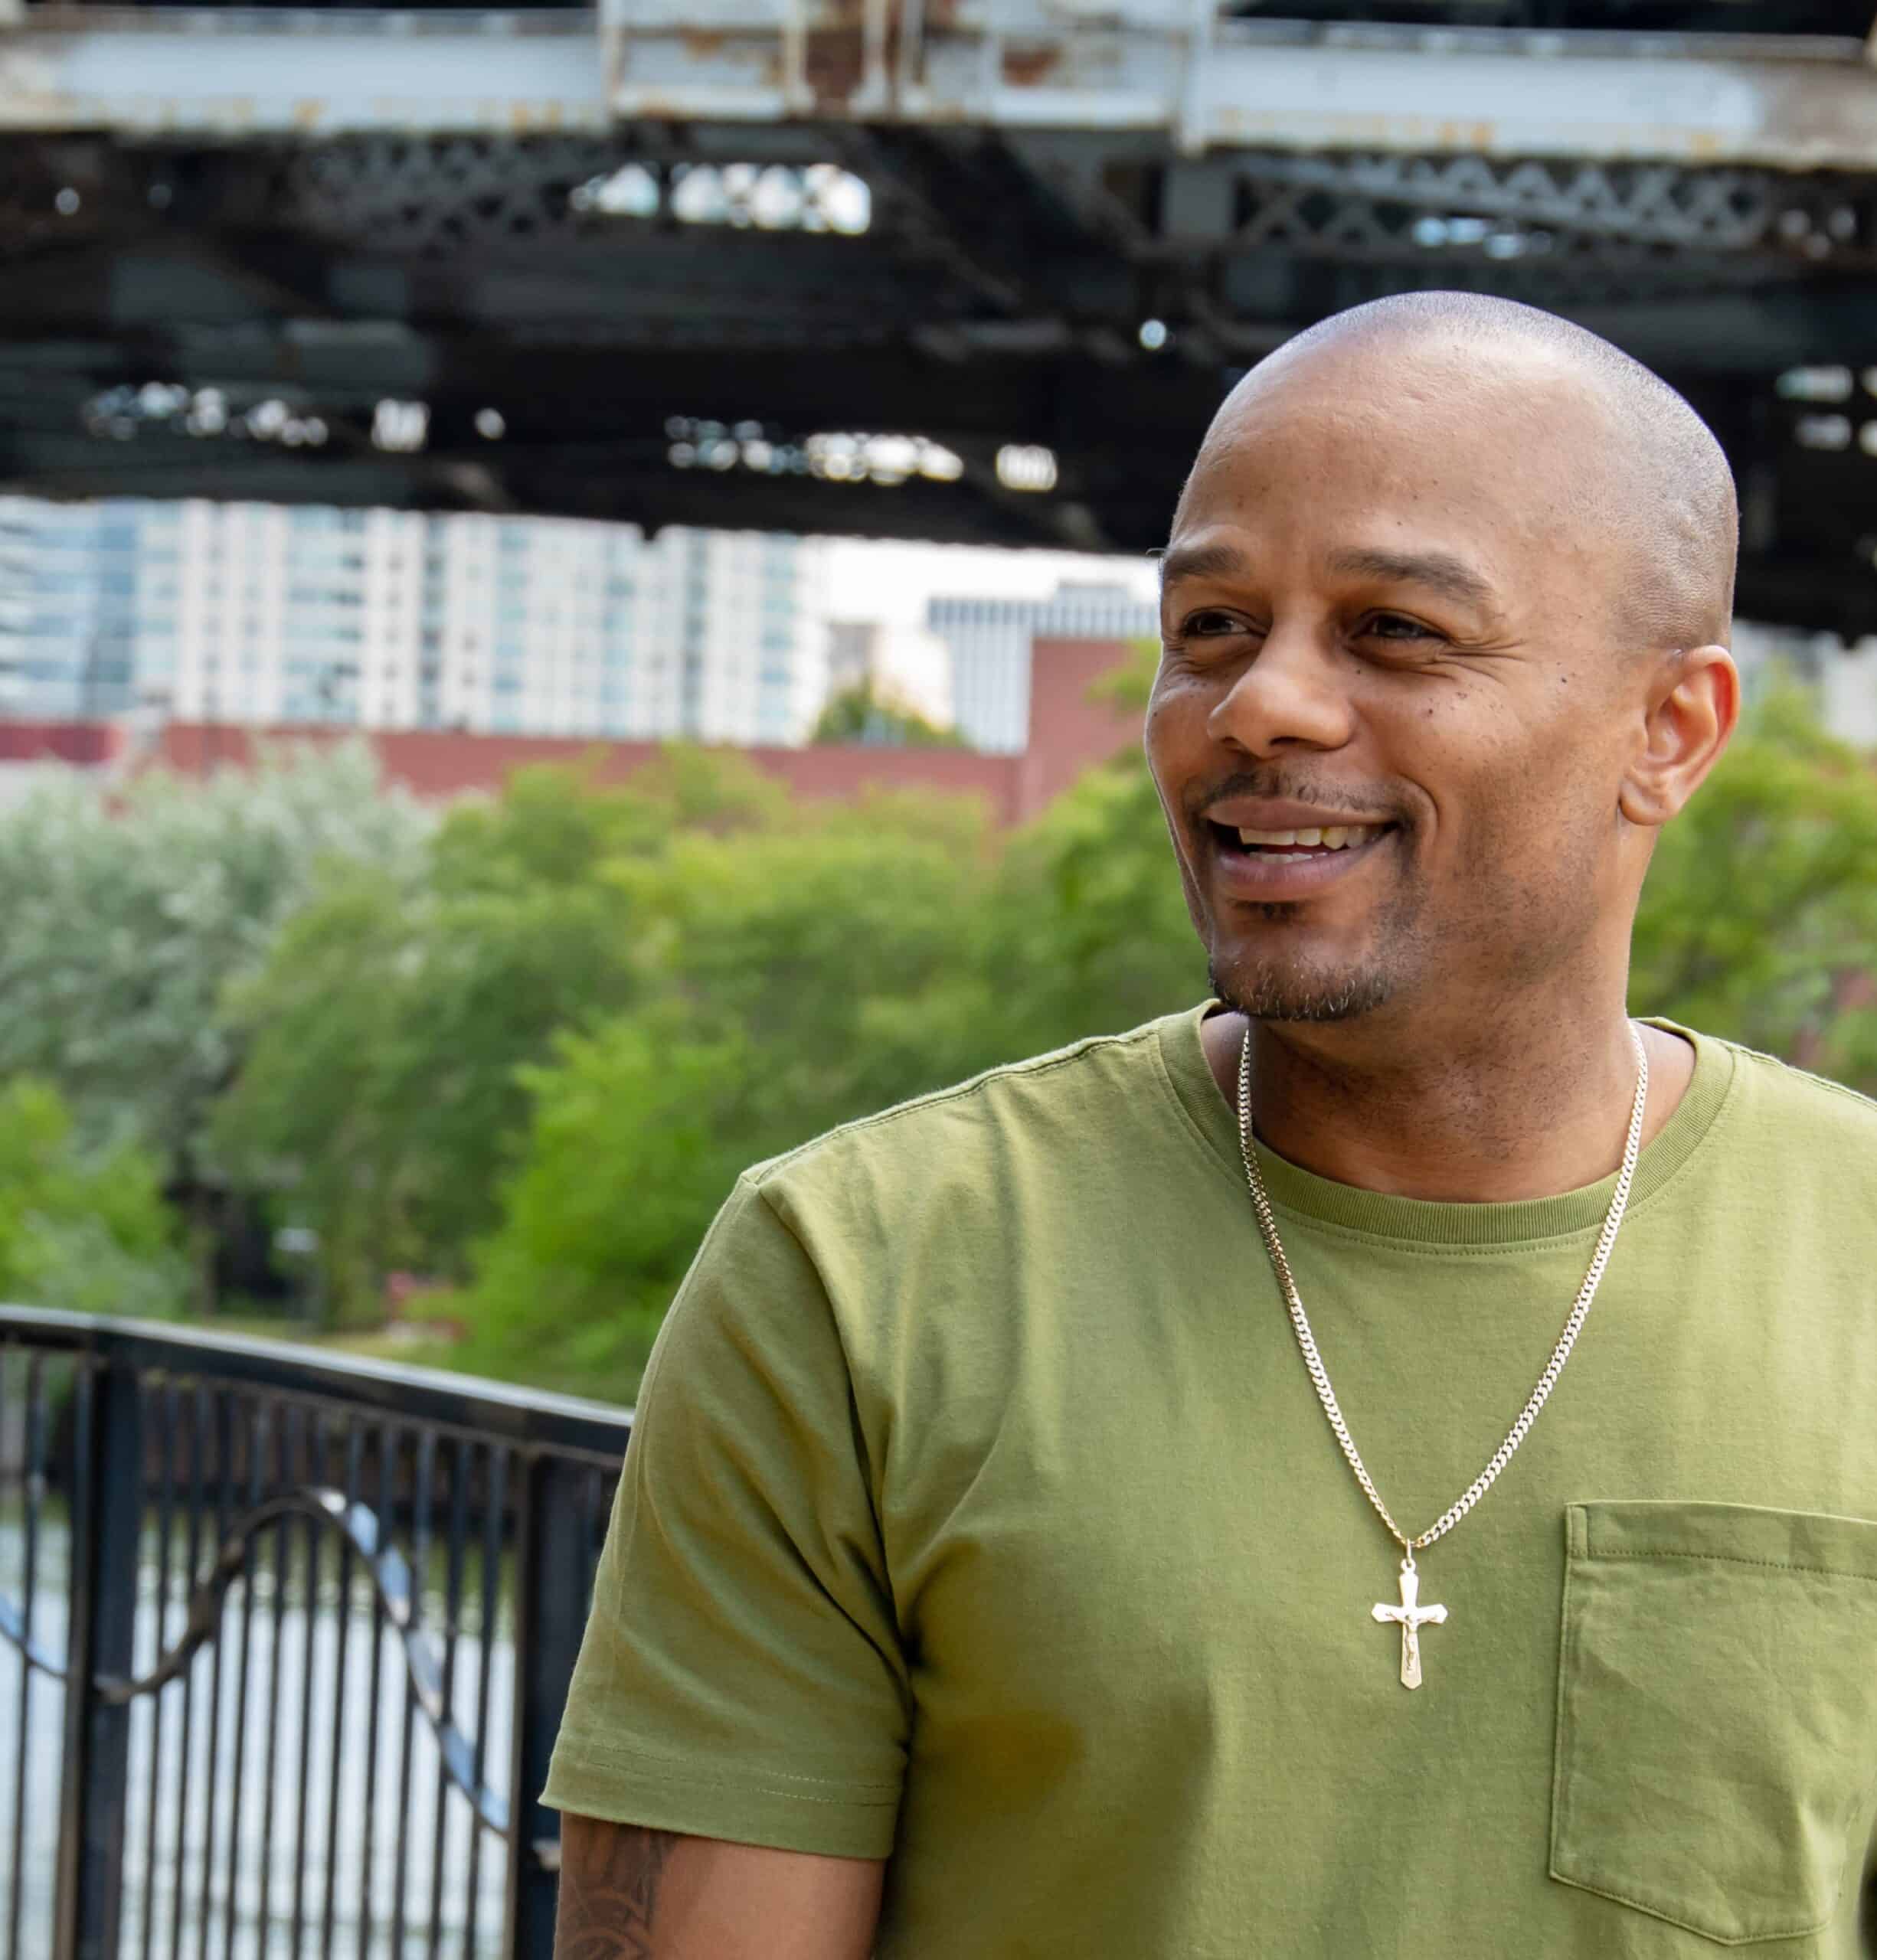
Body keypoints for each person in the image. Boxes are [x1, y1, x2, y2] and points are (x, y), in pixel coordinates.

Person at [544, 292, 1877, 1958]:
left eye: (1392, 631)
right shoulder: (856, 1278)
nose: (1261, 706)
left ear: (1664, 732)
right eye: (1211, 625)